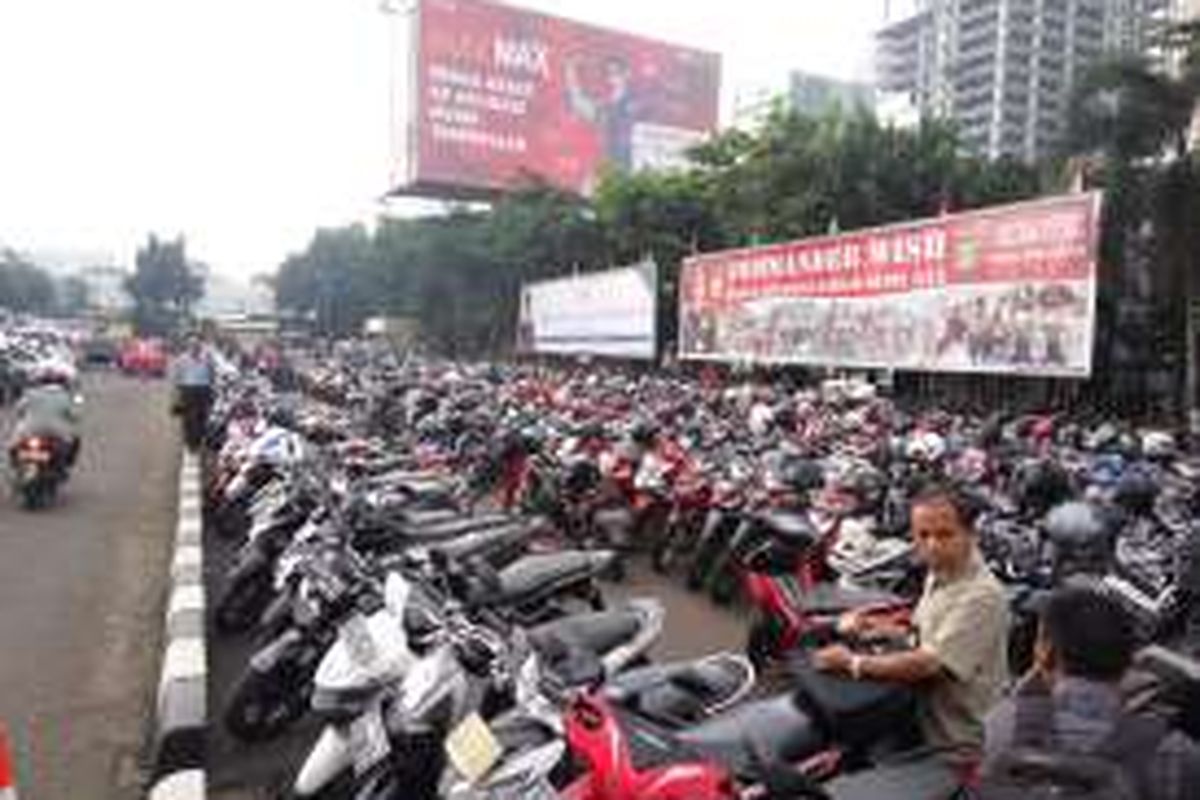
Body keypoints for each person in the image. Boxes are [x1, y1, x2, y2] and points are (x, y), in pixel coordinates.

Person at [813, 482, 1010, 765]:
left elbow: (929, 664)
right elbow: (923, 635)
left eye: (944, 535)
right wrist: (879, 628)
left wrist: (851, 663)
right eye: (922, 535)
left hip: (949, 742)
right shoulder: (940, 573)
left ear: (970, 534)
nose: (931, 545)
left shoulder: (982, 596)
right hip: (917, 711)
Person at [982, 585, 1200, 799]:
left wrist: (1015, 699)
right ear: (1129, 661)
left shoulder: (998, 728)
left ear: (1046, 652)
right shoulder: (1174, 753)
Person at [9, 378, 81, 469]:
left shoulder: (31, 394)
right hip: (55, 431)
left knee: (13, 445)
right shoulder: (64, 396)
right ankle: (66, 464)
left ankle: (14, 464)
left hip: (30, 429)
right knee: (73, 440)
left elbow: (19, 409)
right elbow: (73, 415)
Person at [171, 337, 214, 451]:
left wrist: (211, 388)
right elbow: (177, 377)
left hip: (203, 389)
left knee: (202, 416)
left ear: (200, 347)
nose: (195, 348)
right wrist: (176, 396)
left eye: (197, 345)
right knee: (188, 418)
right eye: (192, 345)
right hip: (188, 390)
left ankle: (198, 440)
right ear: (189, 347)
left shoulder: (207, 358)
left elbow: (211, 373)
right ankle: (190, 442)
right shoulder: (182, 359)